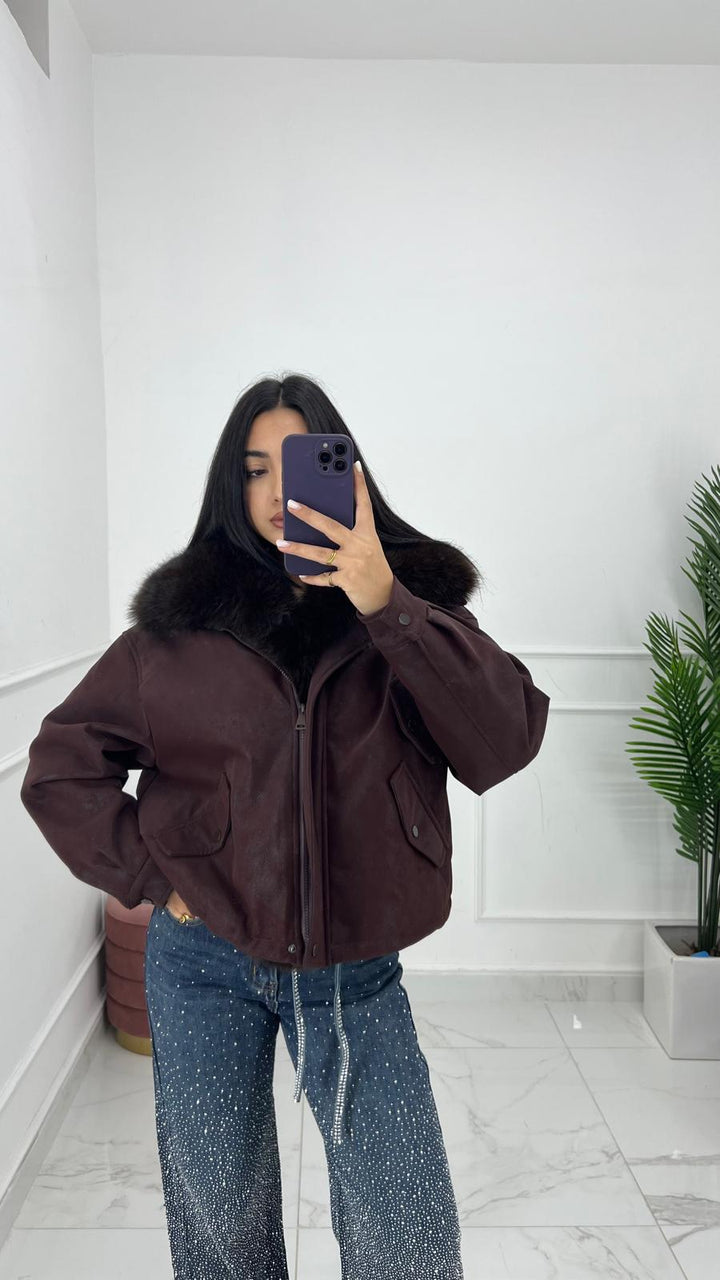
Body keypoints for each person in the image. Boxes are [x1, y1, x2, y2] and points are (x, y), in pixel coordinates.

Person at [20, 372, 551, 1279]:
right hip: (202, 961)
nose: (275, 491)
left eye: (297, 463)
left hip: (354, 962)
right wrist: (158, 877)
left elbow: (503, 741)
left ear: (346, 474)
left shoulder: (409, 611)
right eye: (254, 468)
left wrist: (388, 604)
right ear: (231, 486)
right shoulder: (173, 635)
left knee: (408, 1236)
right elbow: (61, 768)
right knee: (221, 1227)